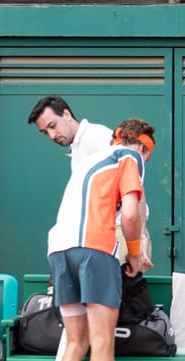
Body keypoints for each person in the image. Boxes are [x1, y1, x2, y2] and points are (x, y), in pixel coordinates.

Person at [45, 118, 155, 361]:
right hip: (95, 249)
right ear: (142, 146)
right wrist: (135, 255)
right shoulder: (130, 157)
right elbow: (130, 217)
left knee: (76, 342)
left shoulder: (88, 161)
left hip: (59, 250)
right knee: (102, 342)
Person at [28, 95, 153, 271]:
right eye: (45, 132)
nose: (51, 135)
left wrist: (140, 240)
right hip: (99, 236)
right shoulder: (80, 147)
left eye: (52, 126)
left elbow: (134, 186)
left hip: (118, 231)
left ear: (66, 114)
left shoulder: (97, 137)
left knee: (117, 295)